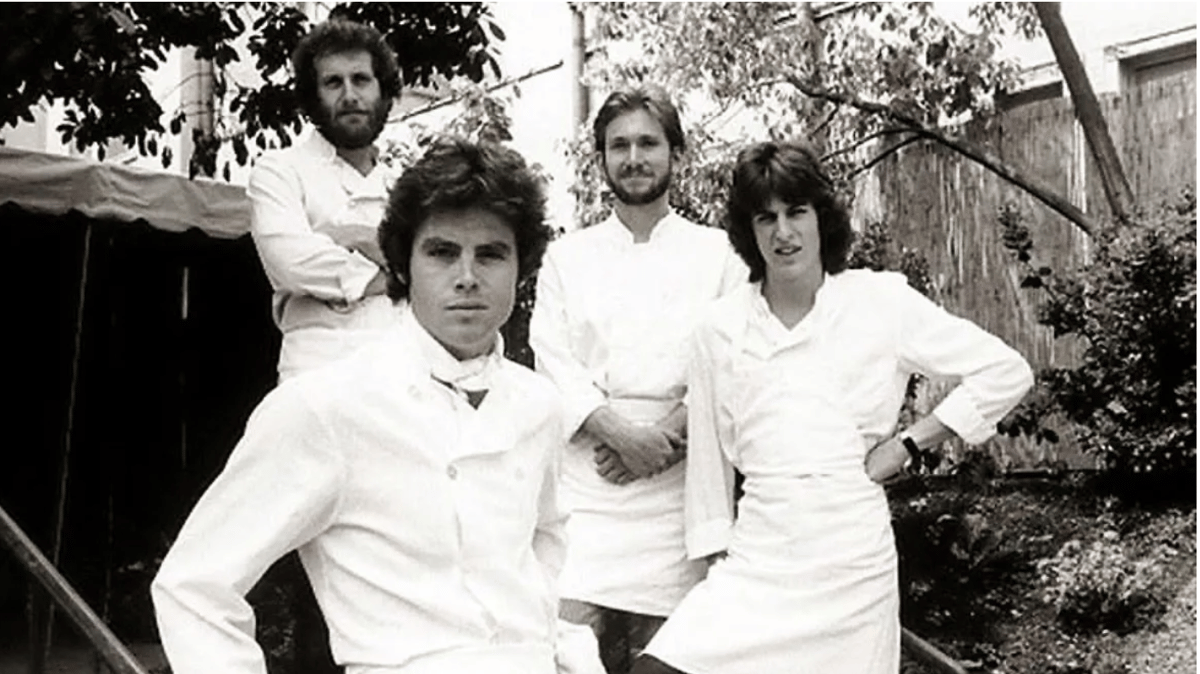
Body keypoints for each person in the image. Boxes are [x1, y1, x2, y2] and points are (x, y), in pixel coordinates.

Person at [152, 138, 575, 674]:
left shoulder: (537, 405)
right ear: (404, 266)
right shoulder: (326, 406)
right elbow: (194, 585)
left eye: (490, 254)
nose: (467, 276)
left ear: (523, 267)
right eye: (442, 252)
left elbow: (549, 545)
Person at [631, 140, 1035, 674]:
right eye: (765, 217)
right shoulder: (719, 329)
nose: (783, 233)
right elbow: (708, 467)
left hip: (851, 566)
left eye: (797, 212)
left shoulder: (879, 302)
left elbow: (1005, 371)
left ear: (822, 216)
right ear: (748, 231)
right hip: (757, 564)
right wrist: (714, 561)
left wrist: (909, 443)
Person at [529, 85, 747, 673]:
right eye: (618, 145)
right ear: (600, 160)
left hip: (683, 485)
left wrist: (663, 444)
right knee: (561, 647)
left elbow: (733, 362)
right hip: (589, 479)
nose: (634, 158)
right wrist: (621, 437)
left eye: (648, 143)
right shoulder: (567, 257)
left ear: (676, 153)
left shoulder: (720, 254)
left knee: (671, 658)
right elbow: (551, 358)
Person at [247, 18, 402, 382]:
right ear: (313, 97)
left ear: (383, 90)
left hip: (402, 370)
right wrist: (400, 271)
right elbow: (293, 262)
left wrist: (356, 239)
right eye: (333, 82)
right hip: (316, 369)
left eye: (361, 79)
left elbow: (437, 273)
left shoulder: (405, 186)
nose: (350, 95)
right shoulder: (279, 170)